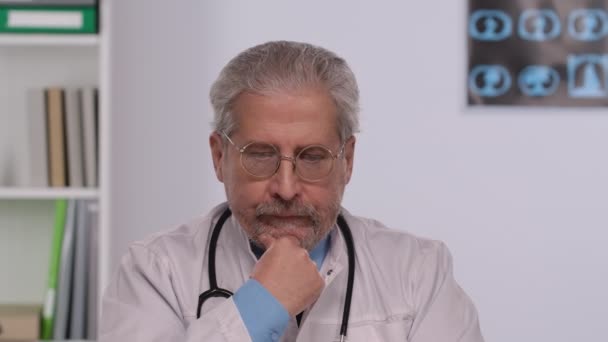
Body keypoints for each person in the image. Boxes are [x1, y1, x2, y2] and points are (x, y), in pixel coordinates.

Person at [100, 40, 485, 342]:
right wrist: (260, 306)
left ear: (347, 160)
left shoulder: (418, 273)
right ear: (219, 157)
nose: (286, 187)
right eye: (260, 155)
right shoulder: (155, 271)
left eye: (313, 157)